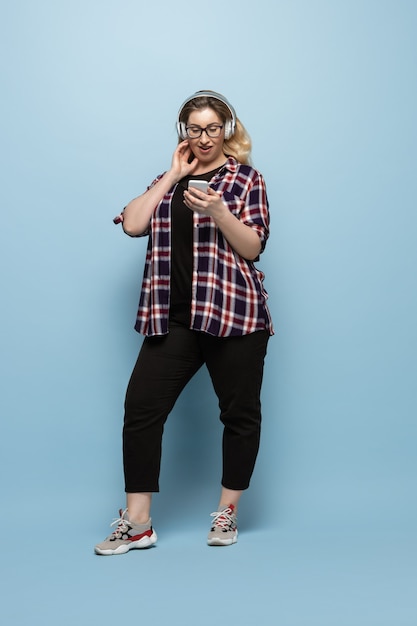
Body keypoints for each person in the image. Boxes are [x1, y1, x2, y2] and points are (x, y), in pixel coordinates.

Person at [95, 90, 273, 555]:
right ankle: (137, 524)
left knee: (239, 414)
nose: (204, 137)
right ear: (183, 133)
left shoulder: (245, 179)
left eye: (213, 128)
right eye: (194, 129)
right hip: (173, 319)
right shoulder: (168, 180)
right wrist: (173, 174)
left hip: (233, 315)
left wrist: (218, 210)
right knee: (141, 410)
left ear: (226, 130)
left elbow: (253, 247)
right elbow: (134, 224)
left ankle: (228, 511)